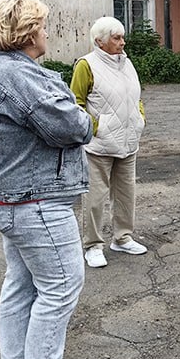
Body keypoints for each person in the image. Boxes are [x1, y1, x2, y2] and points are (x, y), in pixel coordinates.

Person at [0, 0, 92, 359]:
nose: (46, 33)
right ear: (27, 34)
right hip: (33, 200)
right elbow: (72, 127)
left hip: (10, 196)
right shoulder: (18, 76)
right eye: (41, 26)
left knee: (22, 282)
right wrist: (82, 114)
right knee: (61, 286)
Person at [70, 16, 147, 268]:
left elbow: (135, 97)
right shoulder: (86, 65)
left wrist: (140, 118)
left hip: (128, 140)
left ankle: (122, 238)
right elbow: (76, 103)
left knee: (126, 193)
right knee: (95, 197)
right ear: (99, 41)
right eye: (116, 38)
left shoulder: (126, 63)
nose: (122, 42)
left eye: (122, 37)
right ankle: (93, 245)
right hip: (99, 144)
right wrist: (95, 128)